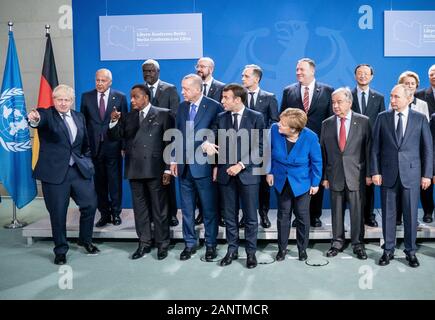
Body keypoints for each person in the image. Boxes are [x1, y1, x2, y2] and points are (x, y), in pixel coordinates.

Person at [28, 84, 100, 265]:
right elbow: (38, 119)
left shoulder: (79, 117)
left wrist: (87, 161)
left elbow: (85, 145)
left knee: (90, 205)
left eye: (66, 100)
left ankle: (85, 240)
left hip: (78, 170)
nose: (62, 103)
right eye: (59, 99)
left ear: (71, 101)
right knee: (58, 213)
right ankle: (60, 250)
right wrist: (34, 118)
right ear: (54, 100)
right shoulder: (47, 115)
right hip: (55, 174)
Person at [108, 84, 173, 260]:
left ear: (146, 97)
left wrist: (168, 168)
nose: (132, 100)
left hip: (156, 169)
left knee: (159, 209)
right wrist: (114, 121)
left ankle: (162, 244)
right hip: (134, 169)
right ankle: (144, 243)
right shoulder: (128, 117)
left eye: (135, 97)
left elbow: (170, 143)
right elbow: (116, 137)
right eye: (131, 97)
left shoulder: (163, 114)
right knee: (140, 209)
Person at [371, 84, 433, 268]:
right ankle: (388, 250)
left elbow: (428, 149)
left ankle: (410, 251)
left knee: (411, 215)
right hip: (388, 175)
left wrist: (427, 175)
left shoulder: (420, 119)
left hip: (412, 175)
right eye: (391, 96)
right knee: (388, 216)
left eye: (396, 97)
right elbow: (374, 148)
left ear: (408, 98)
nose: (392, 100)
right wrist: (375, 171)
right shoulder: (382, 118)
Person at [211, 83, 265, 269]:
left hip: (248, 174)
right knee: (230, 216)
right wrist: (206, 144)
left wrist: (241, 165)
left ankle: (251, 253)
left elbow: (261, 147)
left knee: (251, 216)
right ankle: (232, 250)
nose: (222, 101)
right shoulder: (220, 117)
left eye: (226, 98)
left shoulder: (256, 117)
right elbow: (211, 136)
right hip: (226, 175)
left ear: (238, 100)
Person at [170, 74, 223, 262]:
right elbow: (177, 134)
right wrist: (173, 160)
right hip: (184, 168)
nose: (182, 92)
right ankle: (190, 244)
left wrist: (209, 143)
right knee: (186, 210)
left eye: (186, 89)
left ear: (198, 89)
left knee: (209, 210)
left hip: (204, 168)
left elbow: (218, 131)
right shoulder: (182, 107)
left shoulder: (214, 106)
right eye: (182, 88)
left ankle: (210, 245)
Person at [280, 57, 333, 227]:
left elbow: (330, 118)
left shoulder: (327, 90)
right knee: (297, 179)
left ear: (312, 71)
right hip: (294, 144)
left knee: (315, 176)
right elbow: (283, 116)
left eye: (301, 69)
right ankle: (299, 215)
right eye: (297, 69)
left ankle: (315, 215)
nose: (298, 72)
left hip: (318, 142)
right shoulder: (289, 91)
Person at [321, 87, 371, 260]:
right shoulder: (326, 123)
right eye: (333, 102)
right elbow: (324, 153)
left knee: (357, 212)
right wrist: (325, 177)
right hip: (334, 175)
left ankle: (358, 244)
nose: (335, 105)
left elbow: (368, 149)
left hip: (356, 175)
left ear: (349, 102)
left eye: (339, 102)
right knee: (336, 212)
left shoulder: (364, 121)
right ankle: (337, 242)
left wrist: (369, 173)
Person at [266, 108, 322, 262]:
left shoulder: (310, 137)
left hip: (302, 183)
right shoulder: (274, 130)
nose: (278, 125)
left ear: (293, 129)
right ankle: (281, 249)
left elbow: (317, 161)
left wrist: (315, 182)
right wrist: (269, 172)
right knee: (283, 216)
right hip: (281, 180)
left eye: (282, 124)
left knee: (303, 217)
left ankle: (302, 249)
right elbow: (268, 152)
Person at [80, 68, 128, 227]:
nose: (99, 83)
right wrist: (84, 146)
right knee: (99, 183)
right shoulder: (86, 97)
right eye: (97, 80)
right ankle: (104, 214)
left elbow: (124, 124)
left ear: (110, 82)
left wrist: (123, 145)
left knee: (114, 182)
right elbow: (83, 124)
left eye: (103, 80)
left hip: (113, 146)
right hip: (94, 148)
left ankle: (116, 213)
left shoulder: (120, 97)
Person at [142, 59, 179, 227]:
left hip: (166, 142)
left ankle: (171, 214)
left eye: (151, 71)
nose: (148, 74)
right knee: (149, 181)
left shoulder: (170, 89)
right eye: (145, 71)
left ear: (158, 72)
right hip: (146, 146)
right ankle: (151, 214)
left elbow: (175, 116)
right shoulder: (140, 90)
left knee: (167, 180)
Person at [241, 64, 279, 229]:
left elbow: (275, 121)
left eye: (246, 76)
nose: (243, 78)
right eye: (243, 76)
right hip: (241, 147)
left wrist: (263, 136)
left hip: (263, 147)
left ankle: (263, 214)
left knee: (263, 184)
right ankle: (246, 215)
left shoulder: (269, 97)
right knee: (243, 182)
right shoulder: (238, 96)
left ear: (256, 78)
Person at [351, 64, 385, 227]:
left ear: (371, 76)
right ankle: (354, 216)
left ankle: (369, 216)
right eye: (359, 73)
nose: (362, 76)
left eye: (366, 73)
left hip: (371, 145)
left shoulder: (378, 97)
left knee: (370, 181)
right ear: (355, 76)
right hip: (351, 145)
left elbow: (383, 121)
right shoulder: (347, 96)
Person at [396, 71, 432, 225]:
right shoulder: (395, 101)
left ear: (417, 85)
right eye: (406, 83)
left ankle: (423, 213)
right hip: (399, 152)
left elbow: (426, 130)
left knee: (417, 187)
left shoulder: (422, 104)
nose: (410, 86)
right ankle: (397, 216)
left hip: (416, 152)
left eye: (412, 84)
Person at [194, 57, 226, 227]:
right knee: (199, 178)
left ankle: (219, 214)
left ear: (211, 69)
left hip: (216, 141)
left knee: (216, 180)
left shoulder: (221, 88)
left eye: (203, 66)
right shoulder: (191, 89)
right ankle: (202, 212)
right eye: (197, 66)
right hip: (197, 142)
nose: (199, 69)